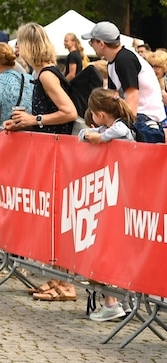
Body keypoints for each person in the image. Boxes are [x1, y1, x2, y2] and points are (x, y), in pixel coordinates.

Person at [77, 88, 135, 321]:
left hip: (121, 195)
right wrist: (90, 135)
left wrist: (99, 138)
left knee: (109, 246)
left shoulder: (121, 128)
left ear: (100, 114)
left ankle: (114, 302)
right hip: (114, 194)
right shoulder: (106, 127)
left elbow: (116, 132)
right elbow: (83, 135)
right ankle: (121, 300)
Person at [82, 21, 165, 141]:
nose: (91, 45)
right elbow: (111, 97)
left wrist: (120, 127)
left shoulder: (124, 60)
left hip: (145, 118)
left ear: (101, 43)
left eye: (91, 42)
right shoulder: (114, 62)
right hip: (140, 116)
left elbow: (132, 97)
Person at [4, 23, 77, 135]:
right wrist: (25, 122)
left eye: (19, 44)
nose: (17, 49)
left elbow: (70, 112)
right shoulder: (45, 71)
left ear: (28, 46)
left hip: (53, 145)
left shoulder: (46, 75)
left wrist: (33, 119)